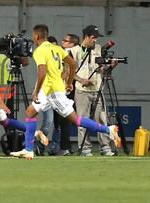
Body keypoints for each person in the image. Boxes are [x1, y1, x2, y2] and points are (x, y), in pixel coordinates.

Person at [10, 24, 120, 160]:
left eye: (34, 35)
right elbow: (72, 64)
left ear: (37, 36)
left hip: (52, 91)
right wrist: (68, 83)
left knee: (75, 120)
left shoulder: (39, 51)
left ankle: (108, 130)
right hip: (51, 89)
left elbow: (42, 72)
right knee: (30, 112)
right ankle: (28, 149)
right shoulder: (57, 49)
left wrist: (36, 91)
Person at [71, 25, 119, 156]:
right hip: (82, 90)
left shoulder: (98, 49)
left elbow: (102, 70)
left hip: (97, 89)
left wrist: (110, 66)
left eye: (97, 38)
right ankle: (85, 148)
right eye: (93, 38)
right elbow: (67, 72)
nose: (95, 41)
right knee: (82, 120)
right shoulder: (74, 51)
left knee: (102, 119)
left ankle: (105, 147)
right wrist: (81, 80)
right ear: (86, 37)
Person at [49, 33, 80, 156]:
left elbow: (67, 70)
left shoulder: (68, 53)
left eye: (65, 41)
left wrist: (66, 80)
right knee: (62, 120)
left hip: (64, 89)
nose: (62, 42)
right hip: (67, 88)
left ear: (72, 44)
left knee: (64, 119)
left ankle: (65, 147)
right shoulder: (75, 53)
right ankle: (62, 146)